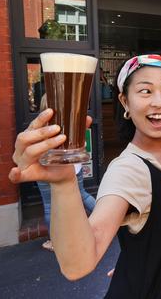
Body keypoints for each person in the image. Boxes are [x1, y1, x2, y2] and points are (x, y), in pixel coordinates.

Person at [9, 52, 161, 298]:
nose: (159, 102)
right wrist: (64, 184)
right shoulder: (127, 170)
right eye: (145, 91)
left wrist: (143, 257)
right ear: (125, 102)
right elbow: (78, 264)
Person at [35, 94, 96, 252]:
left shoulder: (40, 128)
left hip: (46, 170)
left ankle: (55, 242)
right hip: (74, 167)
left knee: (50, 206)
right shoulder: (72, 124)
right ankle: (107, 218)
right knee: (82, 195)